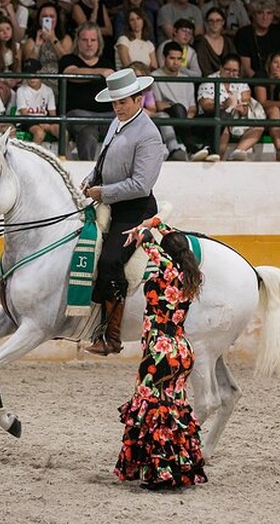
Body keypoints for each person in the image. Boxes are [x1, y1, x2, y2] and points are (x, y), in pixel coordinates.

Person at [114, 219, 207, 491]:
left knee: (152, 410)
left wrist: (141, 229)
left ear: (168, 253)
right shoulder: (193, 274)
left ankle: (160, 474)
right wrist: (157, 222)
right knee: (174, 410)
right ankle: (178, 469)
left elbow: (146, 240)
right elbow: (169, 239)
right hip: (182, 348)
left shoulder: (164, 268)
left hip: (159, 350)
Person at [80, 68, 166, 356]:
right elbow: (104, 160)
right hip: (112, 204)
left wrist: (103, 192)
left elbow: (142, 185)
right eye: (115, 102)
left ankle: (112, 336)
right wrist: (92, 178)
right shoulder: (117, 123)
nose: (117, 107)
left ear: (138, 99)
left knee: (110, 259)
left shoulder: (149, 135)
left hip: (134, 211)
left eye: (123, 102)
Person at [58, 22, 115, 160]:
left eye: (93, 40)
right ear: (78, 42)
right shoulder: (68, 59)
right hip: (78, 114)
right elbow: (72, 73)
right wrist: (101, 72)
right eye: (84, 40)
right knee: (88, 130)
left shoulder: (107, 63)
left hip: (107, 115)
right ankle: (87, 173)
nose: (89, 44)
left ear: (98, 42)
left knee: (125, 126)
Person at [197, 53, 264, 162]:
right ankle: (218, 158)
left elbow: (246, 99)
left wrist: (243, 110)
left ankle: (237, 153)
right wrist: (223, 105)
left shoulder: (241, 83)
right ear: (221, 68)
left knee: (259, 126)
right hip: (216, 119)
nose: (231, 74)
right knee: (224, 127)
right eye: (228, 70)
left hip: (237, 118)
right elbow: (205, 105)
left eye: (235, 71)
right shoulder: (209, 81)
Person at [152, 41, 205, 161]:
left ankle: (211, 151)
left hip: (186, 118)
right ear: (164, 57)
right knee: (178, 108)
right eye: (172, 58)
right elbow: (159, 105)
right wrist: (176, 108)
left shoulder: (186, 79)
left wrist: (188, 115)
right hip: (170, 115)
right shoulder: (155, 76)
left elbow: (192, 107)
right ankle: (191, 146)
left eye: (179, 59)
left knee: (211, 117)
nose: (176, 62)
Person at [22, 2, 72, 96]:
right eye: (44, 16)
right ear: (39, 19)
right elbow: (30, 65)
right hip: (38, 81)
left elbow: (67, 61)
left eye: (52, 16)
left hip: (59, 80)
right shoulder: (31, 40)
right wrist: (37, 45)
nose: (48, 19)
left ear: (57, 19)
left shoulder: (65, 38)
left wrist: (53, 38)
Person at [235, 0, 280, 79]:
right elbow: (246, 68)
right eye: (260, 13)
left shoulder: (278, 34)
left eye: (269, 13)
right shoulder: (244, 34)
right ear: (253, 15)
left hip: (275, 80)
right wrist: (261, 84)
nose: (265, 17)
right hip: (252, 81)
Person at [15, 58, 58, 144]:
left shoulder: (48, 90)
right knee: (39, 133)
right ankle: (33, 157)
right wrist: (40, 124)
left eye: (34, 73)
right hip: (26, 121)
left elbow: (53, 114)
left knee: (60, 130)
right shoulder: (21, 90)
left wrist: (50, 124)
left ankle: (64, 156)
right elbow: (24, 114)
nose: (32, 77)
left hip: (43, 120)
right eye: (28, 73)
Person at [194, 7, 237, 77]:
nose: (215, 23)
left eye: (218, 20)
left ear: (223, 22)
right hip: (208, 82)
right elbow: (204, 68)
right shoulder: (200, 41)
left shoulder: (228, 41)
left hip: (229, 79)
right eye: (211, 20)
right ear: (206, 23)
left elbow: (235, 62)